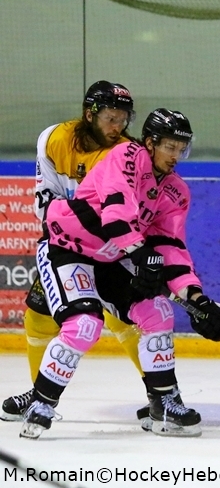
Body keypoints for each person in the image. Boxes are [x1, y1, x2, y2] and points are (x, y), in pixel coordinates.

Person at [19, 108, 220, 440]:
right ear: (150, 142)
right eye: (170, 147)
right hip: (68, 247)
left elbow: (171, 247)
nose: (176, 156)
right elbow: (116, 216)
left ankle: (163, 402)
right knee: (85, 324)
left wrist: (197, 298)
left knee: (159, 313)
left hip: (112, 257)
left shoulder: (175, 191)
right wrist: (143, 255)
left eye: (182, 149)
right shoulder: (127, 155)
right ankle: (42, 403)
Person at [1, 81, 165, 431]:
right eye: (110, 117)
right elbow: (47, 196)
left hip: (113, 249)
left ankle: (159, 397)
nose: (117, 125)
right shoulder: (53, 139)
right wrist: (66, 230)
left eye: (123, 118)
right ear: (90, 113)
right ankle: (39, 391)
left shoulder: (129, 153)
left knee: (125, 319)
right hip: (70, 246)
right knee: (38, 317)